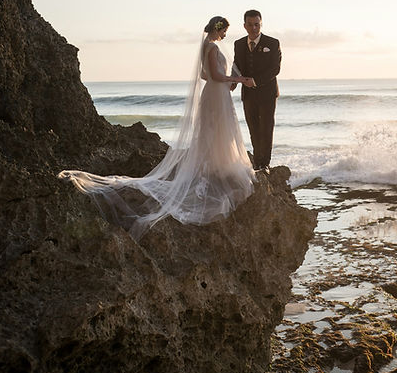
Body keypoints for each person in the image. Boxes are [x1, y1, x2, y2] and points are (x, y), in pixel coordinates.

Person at [58, 16, 256, 240]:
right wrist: (238, 80)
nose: (225, 36)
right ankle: (216, 167)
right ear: (219, 28)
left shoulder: (206, 46)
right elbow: (215, 75)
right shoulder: (211, 46)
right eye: (224, 31)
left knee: (215, 131)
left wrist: (227, 80)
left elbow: (204, 75)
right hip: (215, 94)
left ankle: (216, 164)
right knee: (216, 130)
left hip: (215, 93)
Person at [231, 9, 281, 172]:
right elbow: (236, 65)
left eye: (257, 24)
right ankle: (257, 161)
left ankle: (264, 164)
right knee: (253, 127)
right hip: (248, 94)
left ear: (261, 24)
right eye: (250, 25)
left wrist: (256, 81)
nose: (254, 28)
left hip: (267, 93)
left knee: (266, 128)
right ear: (245, 26)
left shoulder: (273, 43)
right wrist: (233, 82)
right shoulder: (238, 44)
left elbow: (275, 69)